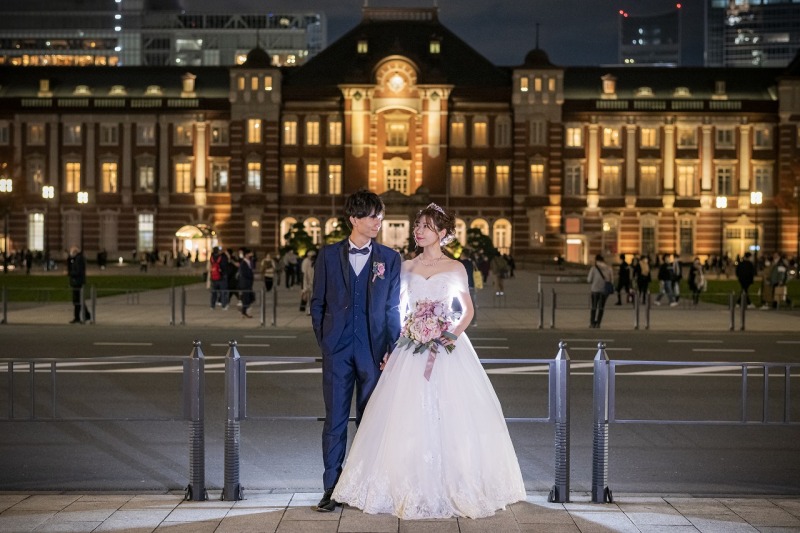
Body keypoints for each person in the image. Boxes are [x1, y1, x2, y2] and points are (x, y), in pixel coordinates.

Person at [332, 203, 525, 519]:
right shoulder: (405, 266)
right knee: (404, 415)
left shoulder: (456, 268)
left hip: (446, 347)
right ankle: (401, 482)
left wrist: (449, 333)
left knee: (452, 415)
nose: (418, 231)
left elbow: (467, 310)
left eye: (426, 226)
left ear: (443, 233)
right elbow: (396, 309)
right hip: (411, 346)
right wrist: (397, 342)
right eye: (417, 225)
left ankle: (456, 483)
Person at [309, 189, 402, 513]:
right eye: (372, 215)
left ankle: (365, 488)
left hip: (375, 353)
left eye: (380, 215)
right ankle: (331, 489)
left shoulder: (390, 259)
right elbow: (317, 303)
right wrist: (328, 342)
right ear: (354, 219)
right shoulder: (328, 255)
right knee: (334, 422)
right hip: (338, 352)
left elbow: (392, 308)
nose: (378, 221)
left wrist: (392, 347)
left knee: (371, 422)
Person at [587, 253, 614, 328]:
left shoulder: (594, 268)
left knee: (594, 307)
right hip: (604, 291)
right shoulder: (609, 268)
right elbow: (611, 280)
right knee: (601, 307)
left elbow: (589, 280)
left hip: (595, 290)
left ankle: (592, 323)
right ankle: (598, 323)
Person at [67, 246, 90, 323]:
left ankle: (78, 317)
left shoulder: (78, 259)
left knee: (77, 301)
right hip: (78, 282)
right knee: (79, 300)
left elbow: (78, 271)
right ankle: (86, 315)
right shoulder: (78, 259)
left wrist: (71, 273)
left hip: (77, 282)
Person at [459, 249, 477, 327]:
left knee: (461, 304)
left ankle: (462, 321)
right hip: (471, 285)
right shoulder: (471, 263)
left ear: (463, 255)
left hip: (462, 286)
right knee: (472, 304)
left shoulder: (460, 263)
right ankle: (474, 321)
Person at [238, 248, 255, 318]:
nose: (251, 255)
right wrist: (251, 276)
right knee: (247, 298)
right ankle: (244, 311)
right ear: (246, 255)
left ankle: (243, 311)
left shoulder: (249, 262)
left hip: (249, 283)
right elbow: (244, 273)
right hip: (245, 283)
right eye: (250, 253)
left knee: (250, 298)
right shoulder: (243, 263)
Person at [300, 250, 316, 314]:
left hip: (314, 282)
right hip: (309, 282)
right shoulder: (306, 262)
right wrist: (305, 287)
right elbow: (305, 275)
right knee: (309, 297)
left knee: (313, 297)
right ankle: (308, 309)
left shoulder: (315, 262)